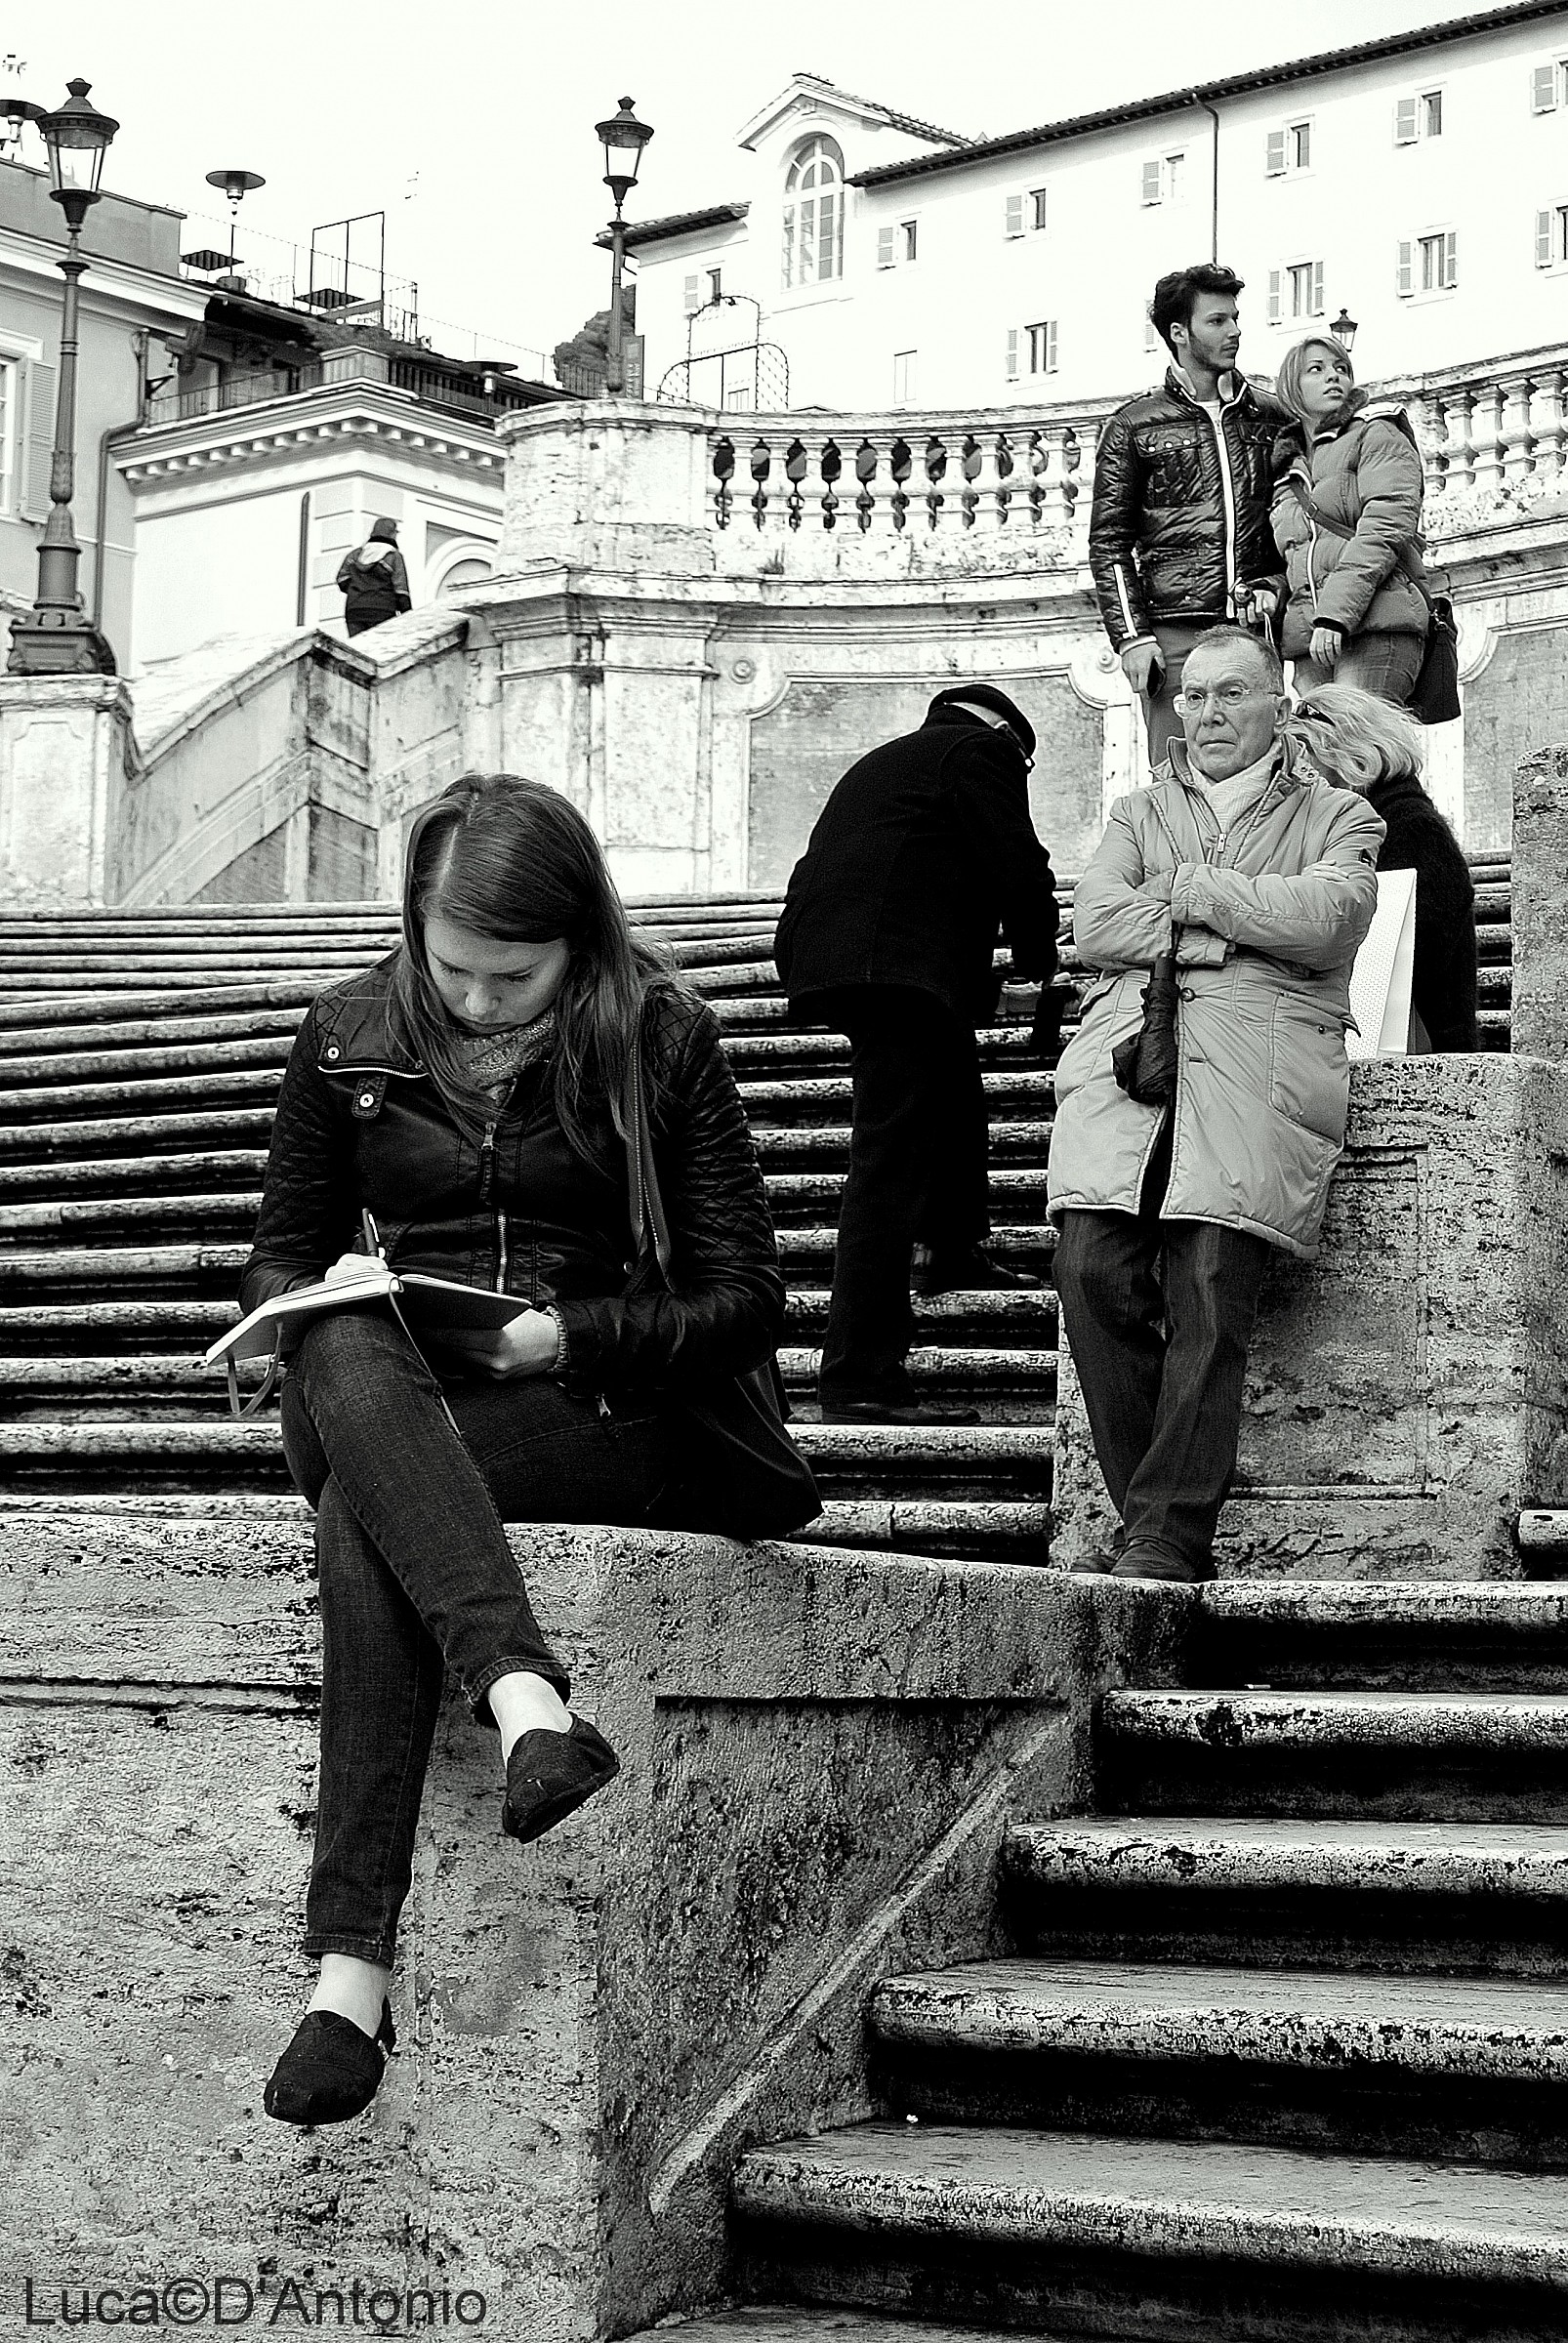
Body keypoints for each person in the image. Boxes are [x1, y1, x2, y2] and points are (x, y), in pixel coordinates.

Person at [244, 773, 787, 2125]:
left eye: (514, 975)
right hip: (388, 1375)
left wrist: (573, 1336)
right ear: (414, 925)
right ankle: (529, 1706)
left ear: (579, 941)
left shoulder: (660, 1036)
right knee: (343, 1334)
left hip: (591, 1404)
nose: (478, 1000)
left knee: (370, 1518)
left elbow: (743, 1296)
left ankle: (348, 1980)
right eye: (454, 969)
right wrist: (276, 1312)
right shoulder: (346, 1031)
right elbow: (282, 1239)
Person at [1048, 626, 1383, 1583]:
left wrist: (1189, 891)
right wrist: (1231, 927)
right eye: (1191, 697)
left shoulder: (1340, 815)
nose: (1205, 716)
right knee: (1089, 1273)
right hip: (1131, 1078)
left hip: (1252, 1087)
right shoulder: (1135, 810)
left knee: (1206, 1292)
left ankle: (1164, 1534)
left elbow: (1327, 921)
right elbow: (1098, 923)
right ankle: (1151, 1509)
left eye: (1229, 695)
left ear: (1278, 705)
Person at [773, 685, 1059, 1425]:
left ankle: (955, 1241)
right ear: (1006, 731)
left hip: (843, 959)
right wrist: (1037, 960)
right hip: (893, 966)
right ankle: (858, 1373)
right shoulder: (980, 750)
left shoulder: (892, 759)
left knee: (953, 1083)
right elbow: (1017, 865)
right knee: (889, 1161)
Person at [1089, 264, 1286, 765]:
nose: (1235, 331)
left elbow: (1297, 522)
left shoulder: (1271, 415)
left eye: (1235, 319)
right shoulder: (1132, 426)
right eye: (1217, 321)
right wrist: (1132, 637)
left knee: (1265, 777)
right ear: (1179, 333)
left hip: (1254, 628)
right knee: (1177, 781)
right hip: (1175, 633)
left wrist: (1277, 587)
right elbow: (1109, 542)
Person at [1285, 682, 1477, 1050]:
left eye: (1303, 753)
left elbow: (1420, 946)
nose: (1297, 771)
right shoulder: (1353, 823)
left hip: (1421, 1043)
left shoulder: (1409, 825)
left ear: (1342, 749)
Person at [1269, 336, 1428, 706]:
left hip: (1374, 626)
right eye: (1317, 369)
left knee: (1361, 755)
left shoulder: (1377, 433)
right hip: (1312, 641)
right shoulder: (1288, 469)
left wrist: (1335, 615)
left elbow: (1385, 528)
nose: (1333, 377)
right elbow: (1298, 556)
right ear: (1292, 386)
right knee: (1325, 758)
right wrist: (1269, 588)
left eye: (1341, 368)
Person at [336, 515, 413, 637]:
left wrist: (358, 589)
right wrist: (408, 616)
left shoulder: (355, 555)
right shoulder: (393, 556)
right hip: (383, 610)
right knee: (380, 650)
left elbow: (342, 580)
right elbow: (400, 588)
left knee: (357, 648)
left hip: (355, 609)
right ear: (392, 534)